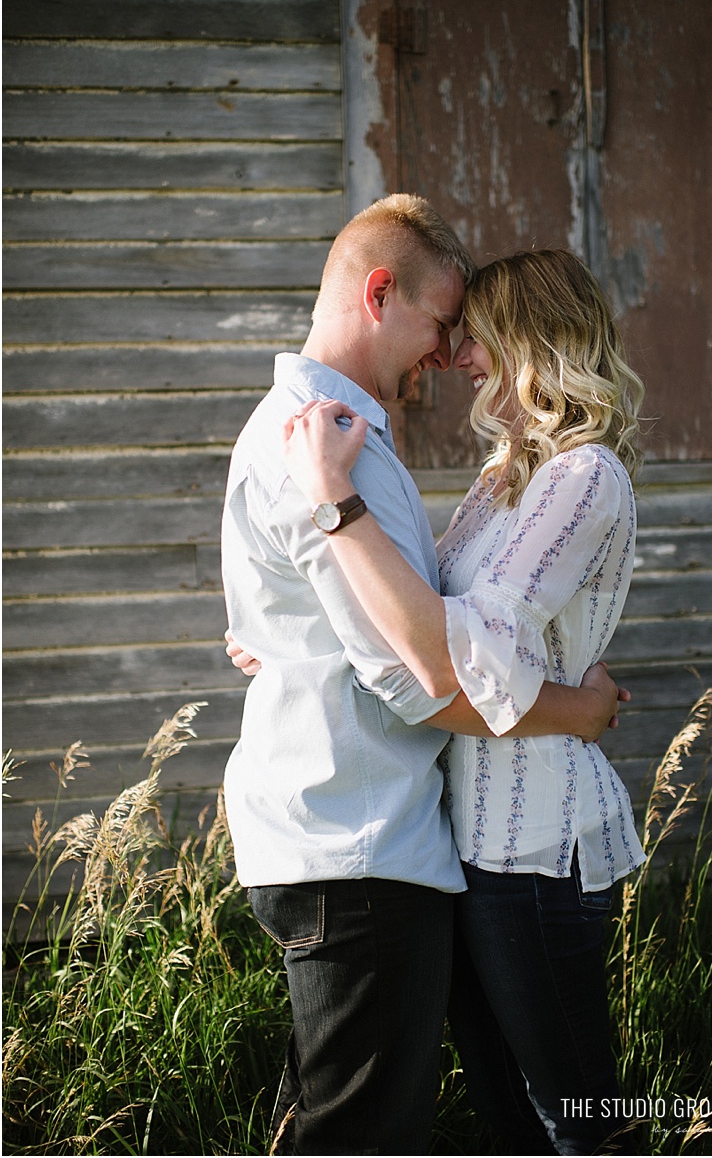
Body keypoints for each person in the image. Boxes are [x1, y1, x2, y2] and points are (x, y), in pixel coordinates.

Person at [221, 197, 628, 1157]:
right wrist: (577, 706)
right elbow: (430, 672)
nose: (450, 357)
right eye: (446, 325)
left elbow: (433, 627)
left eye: (470, 335)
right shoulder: (326, 448)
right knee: (367, 1129)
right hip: (362, 842)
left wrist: (280, 627)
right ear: (378, 294)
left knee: (535, 1116)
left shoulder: (352, 440)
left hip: (454, 841)